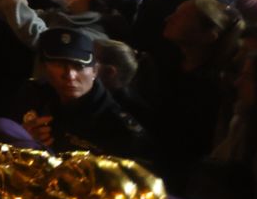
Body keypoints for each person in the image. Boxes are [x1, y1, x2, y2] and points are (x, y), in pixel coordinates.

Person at [18, 28, 155, 160]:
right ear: (44, 67)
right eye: (59, 64)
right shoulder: (34, 96)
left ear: (95, 71)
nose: (70, 75)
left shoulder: (121, 130)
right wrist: (23, 142)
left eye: (79, 66)